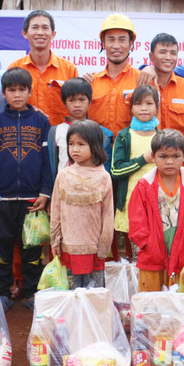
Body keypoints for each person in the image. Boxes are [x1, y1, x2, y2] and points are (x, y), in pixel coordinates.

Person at [0, 68, 54, 310]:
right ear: (3, 93)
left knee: (32, 249)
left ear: (29, 92)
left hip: (33, 199)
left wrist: (45, 193)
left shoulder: (41, 121)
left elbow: (47, 160)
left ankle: (32, 293)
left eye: (22, 89)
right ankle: (3, 292)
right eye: (11, 90)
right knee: (1, 247)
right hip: (1, 198)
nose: (17, 94)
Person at [129, 129, 184, 291]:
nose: (170, 162)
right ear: (153, 157)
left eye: (175, 156)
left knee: (180, 303)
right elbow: (136, 219)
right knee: (151, 303)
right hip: (152, 255)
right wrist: (146, 244)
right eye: (163, 156)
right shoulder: (144, 185)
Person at [50, 120, 114, 289]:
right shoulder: (63, 175)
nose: (74, 149)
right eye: (71, 144)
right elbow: (56, 210)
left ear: (94, 146)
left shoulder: (103, 177)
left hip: (94, 249)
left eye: (81, 144)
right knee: (72, 296)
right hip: (68, 248)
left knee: (94, 297)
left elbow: (108, 215)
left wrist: (104, 246)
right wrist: (55, 241)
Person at [8, 10, 78, 122]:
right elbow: (9, 106)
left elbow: (77, 105)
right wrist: (29, 110)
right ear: (25, 33)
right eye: (35, 27)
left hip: (58, 135)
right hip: (25, 133)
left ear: (53, 34)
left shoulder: (69, 69)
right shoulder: (15, 68)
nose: (40, 32)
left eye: (45, 28)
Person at [111, 86, 160, 246]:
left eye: (149, 103)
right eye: (138, 104)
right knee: (135, 254)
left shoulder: (162, 137)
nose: (144, 108)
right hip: (130, 202)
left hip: (158, 202)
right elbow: (116, 170)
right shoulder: (124, 136)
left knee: (155, 249)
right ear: (131, 108)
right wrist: (143, 159)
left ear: (157, 108)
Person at [142, 32, 184, 148]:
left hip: (180, 160)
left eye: (173, 53)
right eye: (162, 52)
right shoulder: (142, 84)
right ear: (151, 56)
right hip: (148, 158)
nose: (168, 57)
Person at [88, 13, 141, 136]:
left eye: (122, 39)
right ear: (103, 43)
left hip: (131, 152)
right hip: (98, 152)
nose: (116, 46)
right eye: (111, 39)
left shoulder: (141, 80)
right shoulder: (91, 82)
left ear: (131, 43)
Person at [48, 77, 113, 174]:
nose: (77, 105)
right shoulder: (55, 131)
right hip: (63, 185)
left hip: (91, 186)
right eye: (71, 100)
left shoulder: (102, 133)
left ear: (90, 102)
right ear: (65, 103)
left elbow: (106, 168)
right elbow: (52, 164)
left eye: (82, 100)